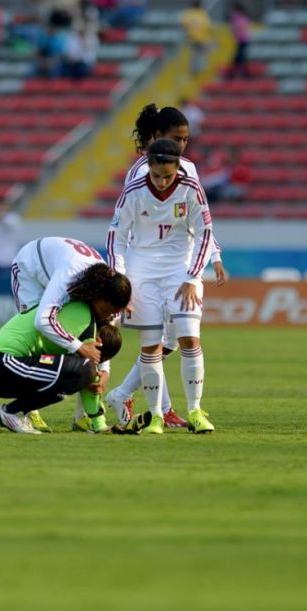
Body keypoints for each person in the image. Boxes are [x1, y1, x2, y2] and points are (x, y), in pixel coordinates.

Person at [104, 104, 227, 429]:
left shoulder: (188, 173)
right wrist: (122, 280)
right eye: (176, 139)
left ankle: (157, 403)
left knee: (179, 338)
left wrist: (212, 256)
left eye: (185, 140)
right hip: (144, 265)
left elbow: (200, 223)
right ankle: (158, 409)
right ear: (157, 138)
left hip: (182, 263)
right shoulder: (137, 179)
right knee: (159, 341)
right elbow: (119, 231)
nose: (182, 146)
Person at [0, 274, 130, 435]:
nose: (108, 316)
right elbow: (84, 369)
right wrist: (99, 422)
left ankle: (15, 412)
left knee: (68, 383)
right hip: (1, 364)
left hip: (2, 366)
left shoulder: (80, 311)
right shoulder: (82, 316)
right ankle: (11, 412)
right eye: (109, 311)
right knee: (80, 373)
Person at [9, 239, 132, 431]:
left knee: (79, 338)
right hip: (29, 268)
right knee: (37, 337)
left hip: (59, 265)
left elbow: (100, 339)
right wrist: (79, 346)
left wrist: (105, 370)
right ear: (99, 296)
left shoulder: (111, 298)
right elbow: (42, 321)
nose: (108, 316)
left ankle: (81, 417)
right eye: (107, 310)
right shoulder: (69, 277)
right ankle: (27, 410)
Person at [181, 0, 212, 76]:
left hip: (191, 38)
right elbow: (208, 27)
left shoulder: (188, 14)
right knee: (202, 54)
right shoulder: (202, 14)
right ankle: (200, 70)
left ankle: (193, 69)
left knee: (194, 54)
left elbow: (184, 25)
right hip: (202, 38)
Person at [227, 2, 251, 79]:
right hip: (244, 38)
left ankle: (237, 71)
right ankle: (241, 71)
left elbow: (236, 27)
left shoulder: (236, 16)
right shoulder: (244, 16)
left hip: (241, 38)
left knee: (240, 56)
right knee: (241, 55)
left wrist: (235, 33)